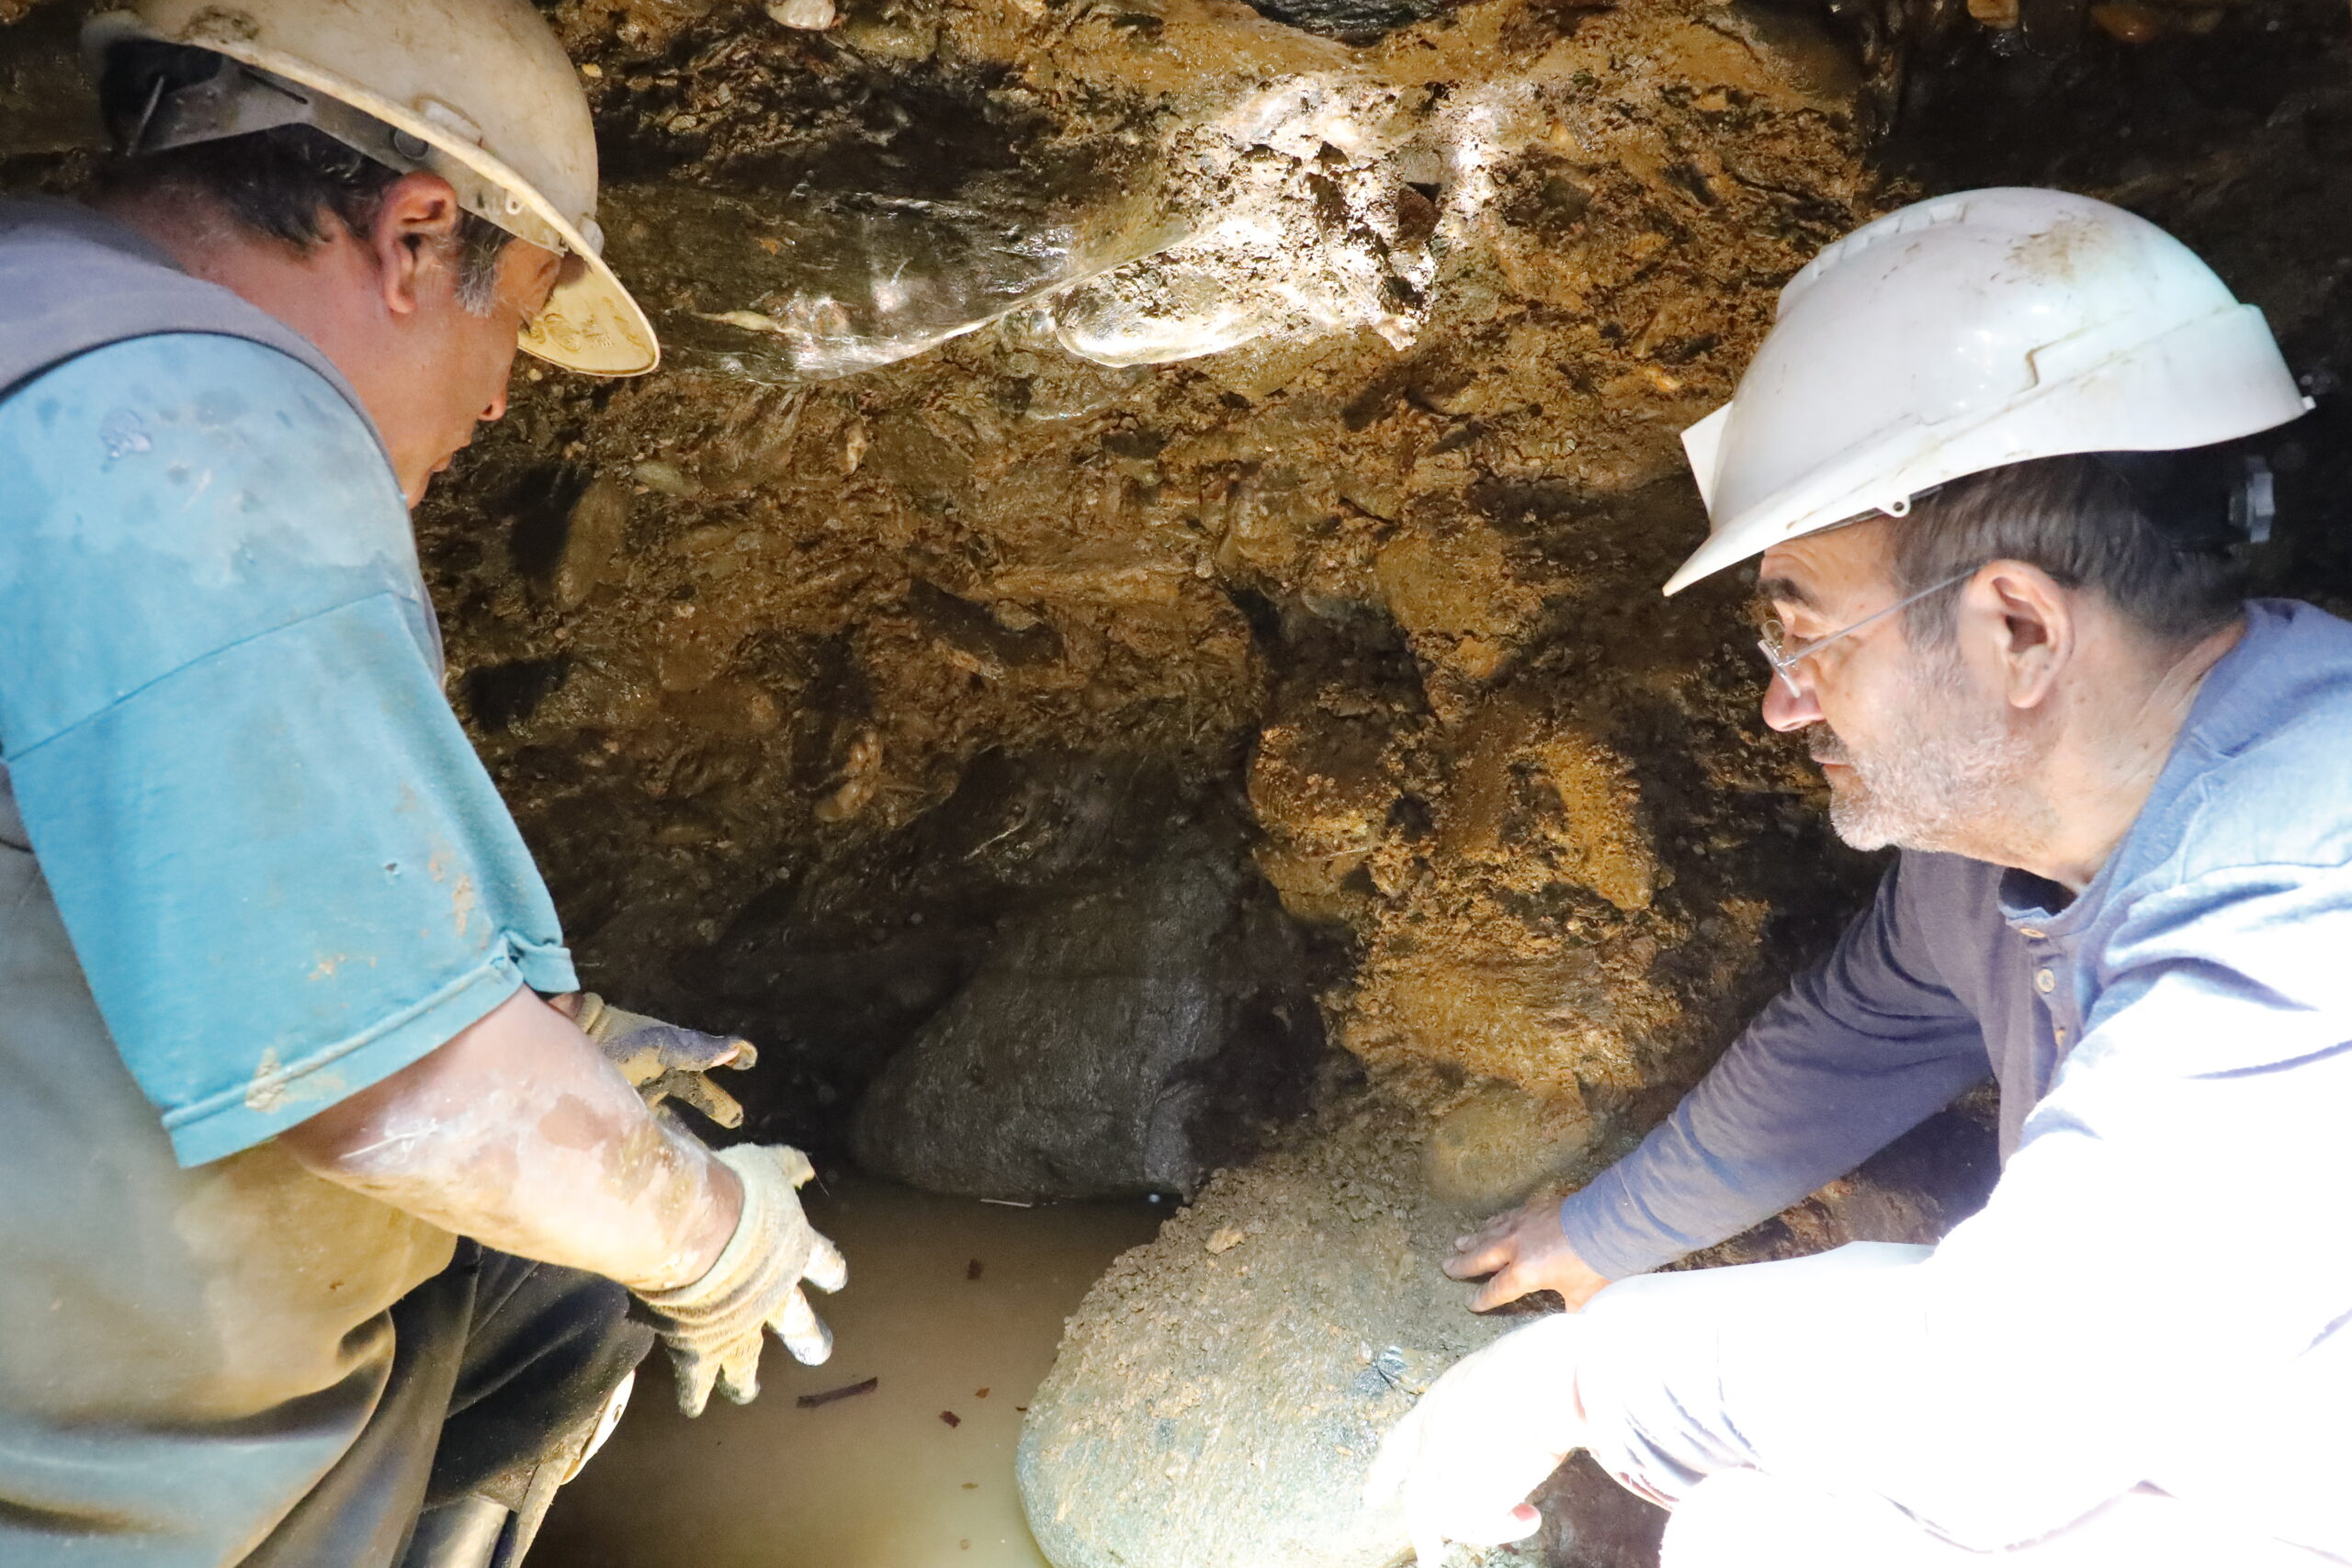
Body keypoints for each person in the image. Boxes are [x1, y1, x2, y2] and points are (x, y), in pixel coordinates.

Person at [1367, 187, 2352, 1566]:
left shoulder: (2311, 886)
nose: (1782, 707)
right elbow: (1858, 1037)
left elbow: (2026, 1396)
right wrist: (1603, 1234)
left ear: (2017, 629)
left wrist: (1582, 1377)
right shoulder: (2001, 835)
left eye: (1805, 635)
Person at [0, 4, 843, 1565]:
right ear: (413, 231)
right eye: (518, 315)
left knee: (538, 1294)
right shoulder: (192, 431)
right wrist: (719, 1239)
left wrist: (550, 1035)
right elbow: (393, 1091)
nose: (508, 393)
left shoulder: (32, 321)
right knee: (593, 1253)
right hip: (87, 1498)